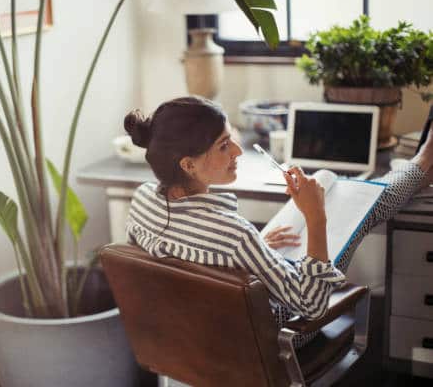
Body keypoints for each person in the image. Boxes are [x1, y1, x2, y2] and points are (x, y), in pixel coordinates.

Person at [123, 96, 433, 348]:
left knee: (340, 209)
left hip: (189, 339)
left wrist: (244, 256)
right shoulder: (235, 238)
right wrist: (315, 217)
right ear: (188, 164)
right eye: (222, 145)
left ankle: (419, 167)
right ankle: (422, 165)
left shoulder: (142, 200)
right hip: (265, 341)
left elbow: (177, 262)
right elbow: (312, 307)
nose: (238, 150)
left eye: (231, 139)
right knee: (357, 214)